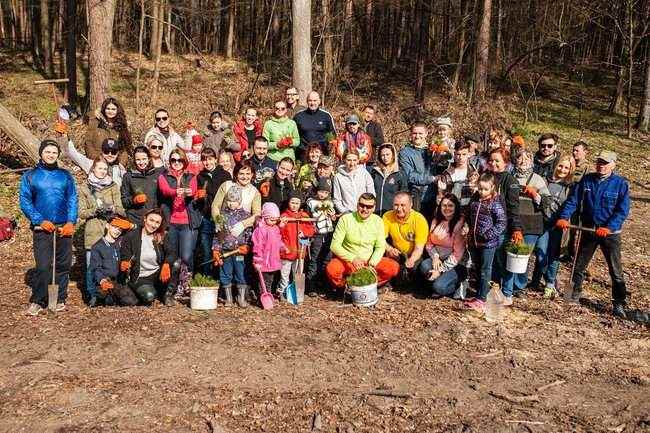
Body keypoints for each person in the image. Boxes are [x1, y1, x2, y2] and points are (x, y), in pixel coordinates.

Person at [556, 150, 631, 318]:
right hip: (589, 230)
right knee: (579, 265)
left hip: (610, 234)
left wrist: (610, 227)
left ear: (613, 164)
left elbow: (622, 210)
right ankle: (574, 295)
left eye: (605, 163)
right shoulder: (587, 179)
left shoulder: (620, 184)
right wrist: (564, 217)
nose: (601, 165)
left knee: (615, 270)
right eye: (599, 162)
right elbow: (574, 200)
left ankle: (618, 302)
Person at [20, 139, 78, 315]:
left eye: (54, 152)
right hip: (43, 228)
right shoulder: (30, 176)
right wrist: (39, 220)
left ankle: (59, 298)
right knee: (43, 265)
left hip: (63, 228)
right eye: (48, 152)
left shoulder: (65, 175)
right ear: (41, 153)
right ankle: (38, 299)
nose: (51, 155)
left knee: (62, 264)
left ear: (58, 155)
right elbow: (25, 201)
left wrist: (71, 221)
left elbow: (72, 199)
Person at [503, 149, 550, 300]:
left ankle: (519, 286)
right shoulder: (509, 177)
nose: (523, 162)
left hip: (531, 224)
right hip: (513, 222)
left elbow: (547, 202)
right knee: (511, 254)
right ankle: (507, 286)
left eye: (526, 159)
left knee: (523, 255)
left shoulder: (538, 179)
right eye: (520, 159)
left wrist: (535, 194)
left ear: (531, 161)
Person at [327, 193, 400, 291]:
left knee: (393, 267)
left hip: (369, 262)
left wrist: (372, 264)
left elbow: (380, 246)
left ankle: (370, 284)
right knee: (332, 269)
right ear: (357, 205)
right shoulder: (346, 219)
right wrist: (353, 259)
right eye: (362, 205)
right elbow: (334, 246)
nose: (364, 209)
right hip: (348, 261)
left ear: (374, 208)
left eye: (369, 207)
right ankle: (345, 287)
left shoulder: (377, 221)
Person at [78, 158, 125, 306]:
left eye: (105, 169)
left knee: (112, 263)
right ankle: (93, 294)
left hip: (111, 231)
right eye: (100, 168)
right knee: (91, 265)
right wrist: (95, 210)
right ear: (93, 169)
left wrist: (111, 208)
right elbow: (81, 212)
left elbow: (121, 209)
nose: (103, 171)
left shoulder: (113, 186)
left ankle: (111, 292)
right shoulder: (85, 187)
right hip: (93, 231)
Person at [157, 148, 202, 295]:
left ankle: (186, 284)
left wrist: (190, 193)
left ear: (184, 161)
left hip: (187, 222)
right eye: (173, 160)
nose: (177, 163)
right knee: (172, 256)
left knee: (187, 256)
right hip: (171, 221)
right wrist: (175, 191)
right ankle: (173, 286)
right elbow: (164, 190)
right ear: (170, 162)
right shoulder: (164, 176)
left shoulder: (191, 176)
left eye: (180, 160)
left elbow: (194, 190)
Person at [462, 173, 507, 313]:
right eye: (480, 188)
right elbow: (470, 215)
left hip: (488, 243)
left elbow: (501, 223)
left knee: (485, 270)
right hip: (475, 242)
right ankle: (477, 295)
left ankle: (482, 298)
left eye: (485, 189)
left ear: (492, 188)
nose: (482, 192)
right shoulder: (475, 200)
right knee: (478, 268)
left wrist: (489, 234)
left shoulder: (495, 203)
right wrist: (467, 228)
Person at [531, 155, 574, 298]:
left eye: (566, 168)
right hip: (543, 222)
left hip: (558, 225)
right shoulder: (545, 181)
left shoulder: (570, 187)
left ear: (570, 170)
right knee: (541, 251)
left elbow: (573, 205)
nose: (562, 169)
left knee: (553, 254)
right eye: (561, 166)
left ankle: (550, 283)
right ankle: (536, 279)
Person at [119, 208, 178, 306]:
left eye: (157, 222)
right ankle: (146, 292)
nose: (153, 225)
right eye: (151, 220)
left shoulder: (161, 235)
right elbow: (125, 255)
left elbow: (172, 252)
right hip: (140, 276)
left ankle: (168, 295)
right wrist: (125, 262)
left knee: (176, 264)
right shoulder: (131, 236)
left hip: (157, 273)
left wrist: (167, 264)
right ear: (145, 219)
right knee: (149, 296)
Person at [486, 147, 523, 285]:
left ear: (506, 163)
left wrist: (516, 228)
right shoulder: (486, 176)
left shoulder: (510, 181)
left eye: (497, 161)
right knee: (491, 260)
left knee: (503, 259)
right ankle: (493, 286)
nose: (493, 163)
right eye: (491, 160)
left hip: (502, 227)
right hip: (486, 226)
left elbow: (513, 207)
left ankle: (507, 291)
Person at [418, 193, 467, 297]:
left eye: (450, 205)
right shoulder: (436, 221)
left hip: (455, 264)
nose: (447, 208)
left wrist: (440, 271)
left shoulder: (460, 224)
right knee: (424, 265)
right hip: (438, 259)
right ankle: (437, 282)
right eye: (444, 205)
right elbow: (429, 242)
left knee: (439, 287)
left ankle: (458, 285)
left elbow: (457, 255)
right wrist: (435, 257)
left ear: (456, 207)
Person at [212, 185, 253, 307]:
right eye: (229, 201)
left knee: (241, 273)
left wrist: (247, 245)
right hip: (225, 251)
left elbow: (249, 233)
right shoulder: (222, 216)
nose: (231, 204)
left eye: (234, 201)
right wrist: (216, 249)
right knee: (225, 273)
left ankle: (241, 298)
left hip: (239, 252)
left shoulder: (245, 215)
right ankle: (228, 298)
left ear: (239, 201)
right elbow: (218, 235)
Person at [196, 147, 232, 277]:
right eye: (204, 160)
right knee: (206, 251)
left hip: (221, 218)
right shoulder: (200, 177)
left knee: (221, 250)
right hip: (206, 217)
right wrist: (199, 197)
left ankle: (222, 281)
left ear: (216, 160)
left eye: (210, 159)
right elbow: (198, 202)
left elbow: (230, 196)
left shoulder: (225, 175)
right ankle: (207, 278)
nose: (207, 162)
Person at [88, 216, 135, 307]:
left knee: (131, 301)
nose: (117, 231)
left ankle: (114, 297)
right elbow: (95, 268)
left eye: (120, 229)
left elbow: (136, 230)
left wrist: (129, 225)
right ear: (107, 226)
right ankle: (98, 298)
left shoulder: (122, 242)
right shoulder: (97, 247)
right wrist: (102, 280)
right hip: (105, 280)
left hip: (119, 282)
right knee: (102, 295)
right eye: (115, 227)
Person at [383, 192, 428, 282]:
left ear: (411, 205)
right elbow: (380, 239)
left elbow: (419, 248)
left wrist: (412, 260)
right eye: (396, 205)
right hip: (397, 254)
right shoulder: (387, 216)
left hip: (414, 255)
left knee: (416, 271)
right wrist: (389, 249)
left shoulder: (419, 219)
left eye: (403, 205)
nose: (399, 209)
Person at [279, 192, 315, 296]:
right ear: (288, 203)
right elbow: (278, 233)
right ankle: (282, 291)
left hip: (300, 252)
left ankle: (298, 293)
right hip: (287, 251)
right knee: (284, 275)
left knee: (298, 273)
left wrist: (304, 233)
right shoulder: (284, 216)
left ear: (300, 204)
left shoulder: (303, 216)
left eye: (297, 203)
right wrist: (281, 226)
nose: (294, 205)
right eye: (292, 202)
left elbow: (311, 229)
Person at [305, 177, 336, 296]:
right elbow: (308, 218)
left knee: (327, 259)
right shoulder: (311, 202)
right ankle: (311, 285)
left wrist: (333, 217)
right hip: (317, 234)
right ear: (317, 191)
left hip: (328, 233)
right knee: (314, 259)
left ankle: (325, 284)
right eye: (321, 191)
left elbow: (333, 218)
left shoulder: (330, 203)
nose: (322, 194)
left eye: (325, 192)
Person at [212, 160, 262, 231]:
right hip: (224, 228)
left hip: (243, 230)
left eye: (248, 174)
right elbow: (215, 206)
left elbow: (257, 214)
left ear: (252, 174)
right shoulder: (226, 185)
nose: (245, 177)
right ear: (236, 174)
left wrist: (243, 224)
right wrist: (218, 221)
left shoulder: (255, 192)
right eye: (241, 174)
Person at [398, 122, 436, 214]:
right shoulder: (405, 153)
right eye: (415, 133)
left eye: (420, 133)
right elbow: (410, 176)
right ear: (411, 134)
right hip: (416, 197)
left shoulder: (434, 150)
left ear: (426, 134)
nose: (417, 136)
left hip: (435, 196)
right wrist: (432, 179)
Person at [121, 146, 163, 225]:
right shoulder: (128, 176)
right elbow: (124, 201)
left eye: (144, 159)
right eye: (138, 160)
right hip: (134, 219)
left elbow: (161, 199)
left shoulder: (156, 175)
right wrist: (134, 200)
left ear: (149, 158)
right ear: (134, 160)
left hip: (151, 220)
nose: (141, 162)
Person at [84, 97, 132, 166]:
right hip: (96, 163)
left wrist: (120, 164)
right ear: (104, 109)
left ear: (117, 110)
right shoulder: (95, 122)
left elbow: (125, 149)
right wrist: (98, 160)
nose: (110, 111)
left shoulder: (122, 126)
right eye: (108, 109)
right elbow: (88, 143)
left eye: (113, 109)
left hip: (116, 164)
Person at [252, 202, 284, 301]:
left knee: (270, 279)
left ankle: (268, 294)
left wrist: (283, 247)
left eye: (275, 220)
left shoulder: (275, 228)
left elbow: (278, 240)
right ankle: (261, 296)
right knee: (262, 280)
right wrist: (257, 260)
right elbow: (258, 246)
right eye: (271, 220)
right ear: (265, 217)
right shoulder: (260, 230)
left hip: (273, 260)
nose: (274, 222)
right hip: (264, 261)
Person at [436, 141, 479, 210]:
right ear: (454, 154)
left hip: (469, 211)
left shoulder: (474, 172)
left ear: (469, 154)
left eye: (464, 154)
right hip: (451, 211)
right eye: (458, 154)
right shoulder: (446, 174)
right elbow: (440, 197)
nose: (460, 157)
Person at [293, 91, 336, 160]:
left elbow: (332, 135)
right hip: (303, 153)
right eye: (310, 101)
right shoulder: (298, 116)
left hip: (322, 152)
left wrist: (330, 148)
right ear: (307, 101)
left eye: (315, 100)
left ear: (319, 101)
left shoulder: (326, 116)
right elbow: (293, 135)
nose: (312, 103)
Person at [332, 150, 375, 214]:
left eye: (354, 160)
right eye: (349, 160)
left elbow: (371, 194)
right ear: (344, 160)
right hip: (348, 214)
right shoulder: (338, 177)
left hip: (364, 212)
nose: (352, 163)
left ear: (358, 160)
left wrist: (368, 209)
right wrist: (345, 212)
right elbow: (337, 199)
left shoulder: (364, 173)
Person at [369, 143, 407, 215]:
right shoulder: (374, 172)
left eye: (387, 154)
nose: (385, 157)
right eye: (383, 155)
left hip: (391, 213)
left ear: (393, 155)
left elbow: (403, 195)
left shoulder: (399, 173)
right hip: (375, 213)